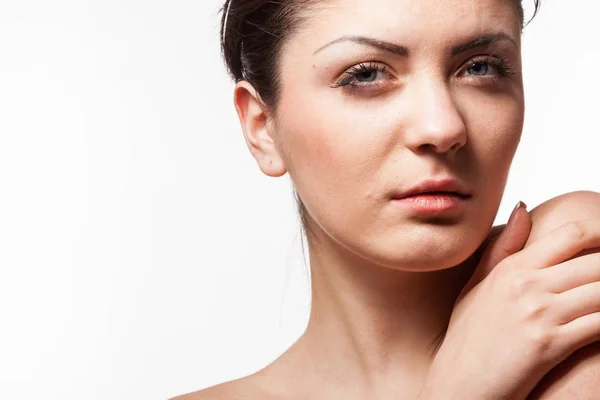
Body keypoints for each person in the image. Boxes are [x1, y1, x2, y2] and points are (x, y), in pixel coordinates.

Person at [174, 0, 600, 398]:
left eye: (480, 67)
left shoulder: (565, 270)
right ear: (262, 127)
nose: (442, 127)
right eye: (367, 74)